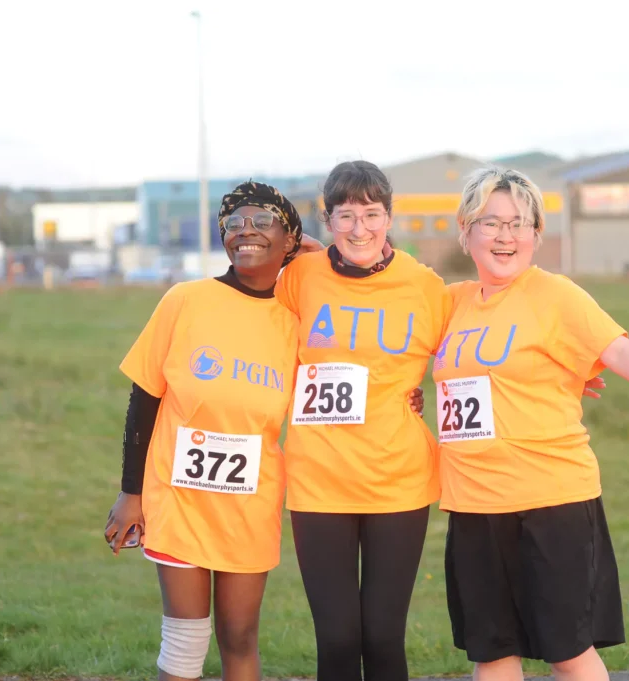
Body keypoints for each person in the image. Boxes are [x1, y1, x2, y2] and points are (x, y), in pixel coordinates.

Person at [433, 167, 629, 681]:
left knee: (567, 650)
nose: (506, 236)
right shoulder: (451, 302)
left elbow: (617, 350)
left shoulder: (555, 295)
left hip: (551, 499)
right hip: (473, 500)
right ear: (466, 229)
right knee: (492, 652)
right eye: (491, 223)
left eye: (519, 224)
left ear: (537, 235)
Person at [103, 181, 305, 681]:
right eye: (234, 223)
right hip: (179, 494)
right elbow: (144, 398)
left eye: (263, 222)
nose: (246, 232)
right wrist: (132, 494)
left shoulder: (296, 319)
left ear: (290, 238)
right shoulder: (186, 300)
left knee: (239, 637)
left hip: (250, 501)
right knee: (185, 642)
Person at [271, 160, 454, 681]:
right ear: (328, 220)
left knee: (381, 637)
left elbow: (467, 354)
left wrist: (560, 372)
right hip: (318, 481)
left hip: (398, 479)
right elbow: (255, 326)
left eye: (371, 214)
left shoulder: (424, 286)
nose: (359, 229)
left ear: (390, 216)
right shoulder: (299, 278)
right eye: (346, 215)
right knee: (335, 639)